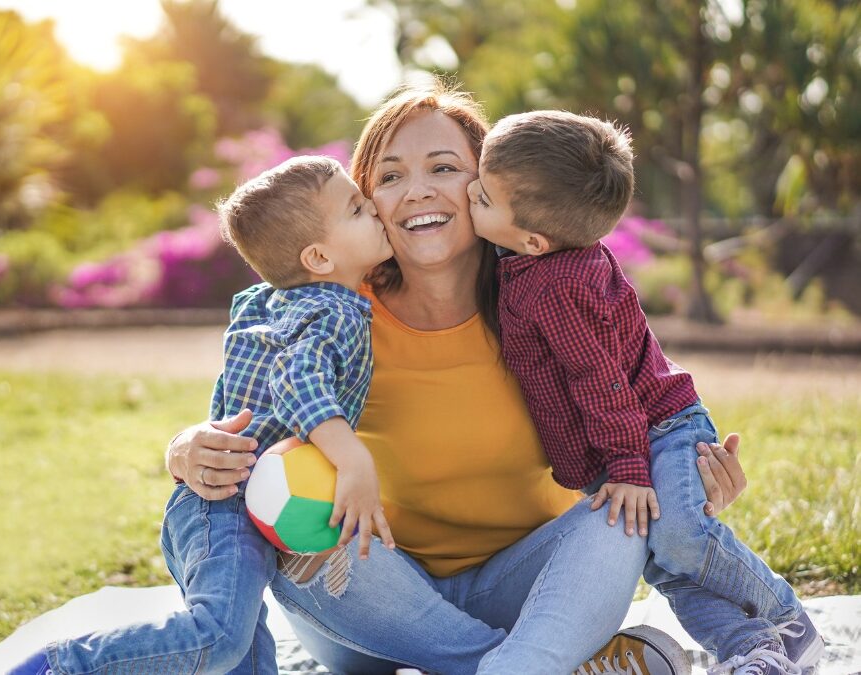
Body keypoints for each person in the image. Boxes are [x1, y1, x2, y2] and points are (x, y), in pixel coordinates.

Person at [169, 81, 750, 675]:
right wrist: (186, 447)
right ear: (366, 201)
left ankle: (518, 662)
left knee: (626, 515)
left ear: (490, 188)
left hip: (526, 588)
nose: (416, 191)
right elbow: (247, 414)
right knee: (285, 519)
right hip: (369, 594)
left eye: (443, 167)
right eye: (389, 177)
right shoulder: (330, 306)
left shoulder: (551, 299)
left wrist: (690, 483)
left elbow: (642, 405)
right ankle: (539, 664)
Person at [466, 110, 824, 674]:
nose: (468, 195)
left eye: (482, 196)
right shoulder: (534, 259)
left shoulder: (558, 285)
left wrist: (628, 467)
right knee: (670, 567)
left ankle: (789, 619)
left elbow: (600, 380)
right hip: (621, 448)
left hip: (655, 430)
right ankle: (753, 649)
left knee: (680, 540)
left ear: (534, 240)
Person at [10, 155, 396, 674]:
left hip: (219, 507)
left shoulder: (277, 300)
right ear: (320, 257)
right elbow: (296, 381)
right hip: (225, 507)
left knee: (244, 660)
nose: (372, 205)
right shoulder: (333, 311)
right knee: (217, 638)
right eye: (355, 208)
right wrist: (352, 459)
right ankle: (63, 666)